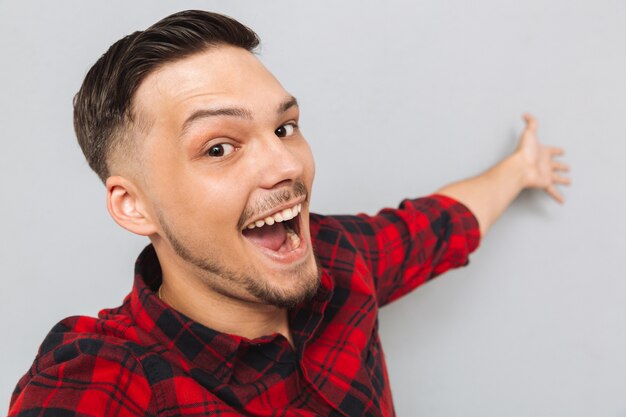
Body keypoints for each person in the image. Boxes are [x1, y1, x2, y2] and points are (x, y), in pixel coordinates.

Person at [8, 9, 570, 417]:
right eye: (219, 147)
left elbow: (438, 225)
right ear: (133, 206)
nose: (286, 165)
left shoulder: (340, 256)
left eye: (284, 128)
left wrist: (521, 170)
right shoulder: (101, 380)